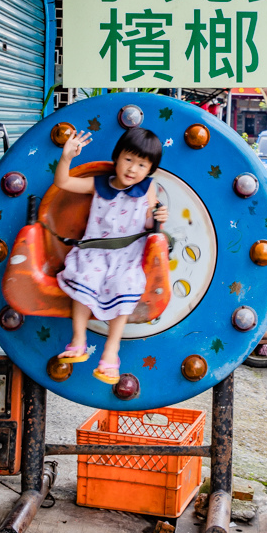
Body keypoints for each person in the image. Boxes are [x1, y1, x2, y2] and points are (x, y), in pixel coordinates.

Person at [54, 126, 168, 384]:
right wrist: (66, 158)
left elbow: (150, 222)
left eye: (141, 164)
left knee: (124, 283)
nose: (132, 169)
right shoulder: (99, 185)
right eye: (128, 160)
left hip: (127, 256)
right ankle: (78, 340)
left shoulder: (148, 189)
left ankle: (111, 353)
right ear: (117, 157)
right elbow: (62, 182)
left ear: (150, 169)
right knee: (85, 277)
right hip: (95, 253)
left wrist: (160, 216)